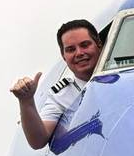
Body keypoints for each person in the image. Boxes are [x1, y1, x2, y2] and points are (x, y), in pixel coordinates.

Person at [10, 20, 103, 149]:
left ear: (99, 43)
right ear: (63, 56)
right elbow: (38, 141)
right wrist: (26, 101)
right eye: (71, 50)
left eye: (85, 45)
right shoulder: (62, 95)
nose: (79, 53)